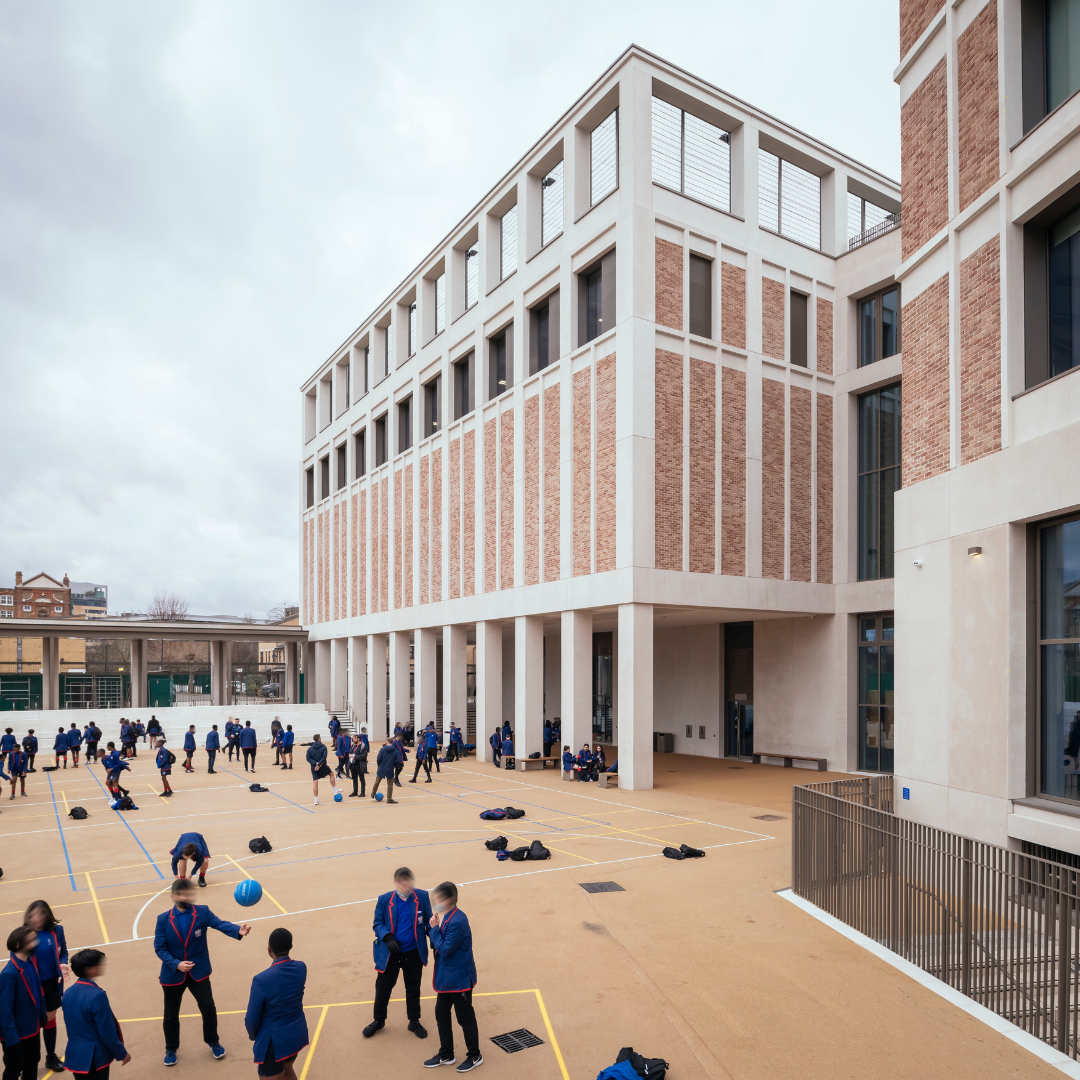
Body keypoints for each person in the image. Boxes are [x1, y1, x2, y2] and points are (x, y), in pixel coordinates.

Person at [154, 878, 250, 1066]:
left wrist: (237, 930)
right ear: (173, 897)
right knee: (171, 1014)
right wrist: (176, 964)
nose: (186, 897)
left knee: (208, 1007)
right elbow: (160, 948)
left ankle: (213, 1041)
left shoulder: (202, 912)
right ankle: (171, 1048)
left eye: (188, 893)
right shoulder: (163, 919)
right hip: (173, 974)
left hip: (199, 972)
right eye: (181, 894)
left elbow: (219, 924)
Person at [364, 868, 432, 1041]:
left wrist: (437, 941)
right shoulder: (385, 900)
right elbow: (377, 923)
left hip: (413, 952)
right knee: (383, 989)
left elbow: (429, 923)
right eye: (402, 883)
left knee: (413, 988)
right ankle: (378, 1021)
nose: (406, 886)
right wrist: (387, 937)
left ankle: (414, 1021)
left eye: (409, 882)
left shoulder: (422, 897)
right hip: (391, 954)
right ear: (395, 883)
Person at [425, 881, 481, 1072]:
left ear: (448, 900)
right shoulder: (448, 917)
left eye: (439, 898)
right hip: (448, 979)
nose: (436, 901)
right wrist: (437, 928)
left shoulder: (458, 921)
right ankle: (446, 1054)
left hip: (459, 980)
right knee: (441, 1013)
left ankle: (475, 1056)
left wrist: (433, 929)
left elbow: (446, 950)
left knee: (465, 1019)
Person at [244, 929, 307, 1080]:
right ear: (291, 946)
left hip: (273, 1043)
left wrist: (254, 1036)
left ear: (269, 949)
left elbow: (251, 1020)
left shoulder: (261, 980)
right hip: (295, 1034)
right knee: (288, 1071)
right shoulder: (301, 967)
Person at [61, 948, 130, 1079]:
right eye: (99, 963)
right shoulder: (97, 996)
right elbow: (106, 1031)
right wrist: (121, 1053)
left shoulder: (68, 993)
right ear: (89, 969)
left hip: (76, 1055)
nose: (102, 965)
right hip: (95, 1056)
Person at [25, 900, 68, 1073]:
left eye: (40, 914)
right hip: (31, 984)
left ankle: (50, 1056)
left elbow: (63, 951)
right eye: (33, 915)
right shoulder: (24, 934)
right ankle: (28, 1061)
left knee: (50, 1019)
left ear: (47, 915)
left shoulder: (57, 931)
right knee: (30, 1022)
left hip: (51, 984)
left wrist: (63, 963)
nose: (36, 918)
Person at [0, 924, 46, 1080]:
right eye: (32, 940)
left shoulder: (30, 963)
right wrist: (12, 1041)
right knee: (14, 1069)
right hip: (17, 1035)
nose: (36, 943)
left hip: (32, 1028)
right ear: (19, 945)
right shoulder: (8, 974)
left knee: (32, 1064)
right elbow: (4, 1011)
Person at [305, 734, 340, 807]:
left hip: (314, 767)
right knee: (331, 774)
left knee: (315, 782)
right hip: (323, 766)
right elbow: (324, 757)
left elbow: (308, 758)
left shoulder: (310, 748)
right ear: (319, 739)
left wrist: (315, 763)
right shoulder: (323, 747)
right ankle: (334, 790)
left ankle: (316, 800)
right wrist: (319, 764)